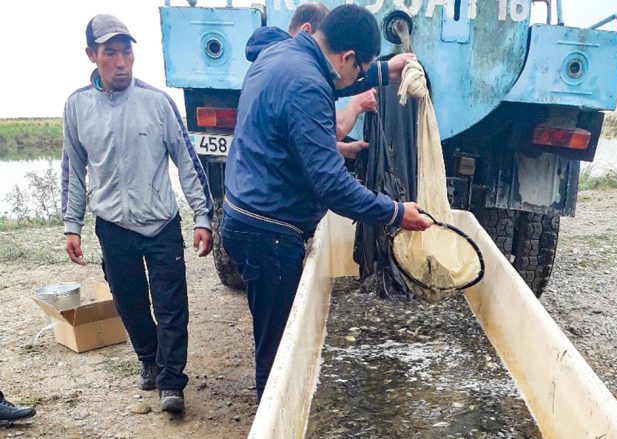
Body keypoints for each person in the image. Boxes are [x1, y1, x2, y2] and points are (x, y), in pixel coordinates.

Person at [222, 4, 431, 401]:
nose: (354, 78)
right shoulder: (308, 85)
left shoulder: (284, 54)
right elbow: (331, 185)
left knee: (273, 334)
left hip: (246, 216)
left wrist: (386, 68)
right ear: (347, 56)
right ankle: (275, 416)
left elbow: (334, 81)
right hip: (268, 233)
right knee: (278, 350)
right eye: (360, 67)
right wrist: (394, 212)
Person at [60, 14, 214, 414]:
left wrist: (202, 216)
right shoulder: (77, 107)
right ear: (92, 55)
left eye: (126, 51)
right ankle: (149, 359)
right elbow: (73, 170)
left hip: (161, 222)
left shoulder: (157, 102)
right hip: (112, 226)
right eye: (110, 52)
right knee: (129, 303)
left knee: (170, 305)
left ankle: (171, 382)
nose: (121, 61)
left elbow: (187, 161)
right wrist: (71, 226)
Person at [244, 2, 416, 159]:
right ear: (307, 31)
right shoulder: (304, 80)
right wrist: (355, 105)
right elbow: (328, 175)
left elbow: (290, 142)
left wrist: (384, 70)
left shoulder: (277, 59)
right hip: (276, 192)